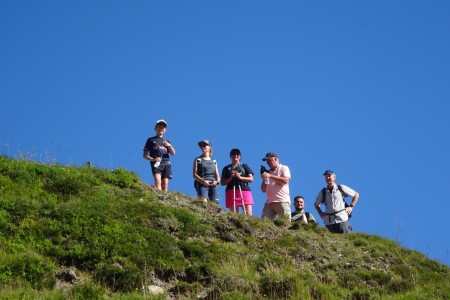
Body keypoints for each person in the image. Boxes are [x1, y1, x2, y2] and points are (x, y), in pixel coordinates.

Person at [314, 170, 359, 234]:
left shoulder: (341, 187)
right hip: (329, 223)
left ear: (334, 177)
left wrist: (351, 207)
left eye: (329, 176)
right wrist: (320, 212)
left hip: (342, 220)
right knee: (330, 242)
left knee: (346, 240)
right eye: (326, 176)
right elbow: (316, 204)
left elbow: (356, 195)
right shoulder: (323, 192)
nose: (327, 178)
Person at [143, 119, 175, 191]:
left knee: (165, 184)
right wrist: (153, 159)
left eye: (163, 127)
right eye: (159, 127)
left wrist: (169, 145)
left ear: (165, 130)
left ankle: (165, 200)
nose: (161, 129)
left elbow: (173, 153)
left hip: (166, 163)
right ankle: (158, 199)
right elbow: (144, 155)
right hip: (156, 163)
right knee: (158, 182)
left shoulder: (166, 141)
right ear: (155, 128)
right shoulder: (150, 140)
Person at [221, 148, 254, 216]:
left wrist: (240, 177)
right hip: (231, 190)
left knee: (249, 214)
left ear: (240, 156)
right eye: (233, 154)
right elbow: (222, 182)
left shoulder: (244, 166)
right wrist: (230, 178)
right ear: (230, 156)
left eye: (237, 154)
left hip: (244, 190)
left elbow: (251, 179)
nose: (235, 155)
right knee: (234, 214)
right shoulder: (226, 168)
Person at [260, 152, 291, 221]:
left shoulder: (283, 168)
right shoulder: (268, 172)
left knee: (286, 223)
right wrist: (265, 179)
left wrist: (270, 176)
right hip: (269, 202)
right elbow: (263, 189)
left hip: (282, 201)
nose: (268, 163)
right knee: (264, 223)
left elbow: (285, 180)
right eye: (267, 161)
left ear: (276, 159)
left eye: (269, 160)